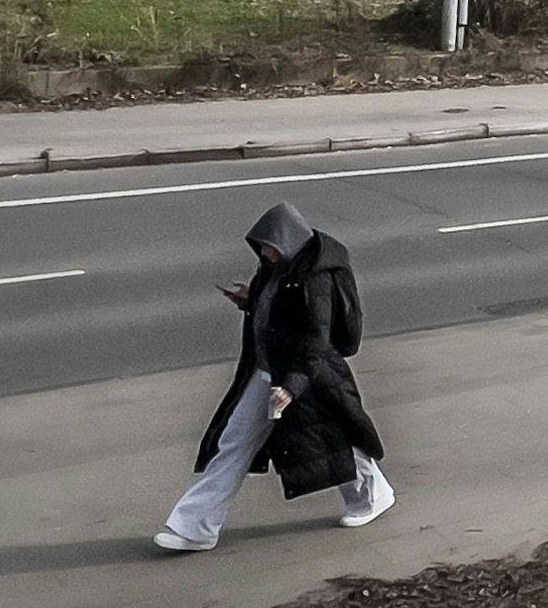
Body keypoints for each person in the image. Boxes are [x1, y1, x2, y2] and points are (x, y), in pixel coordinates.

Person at [154, 201, 394, 552]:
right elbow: (280, 313)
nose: (264, 253)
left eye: (269, 245)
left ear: (288, 241)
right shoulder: (275, 269)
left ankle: (373, 496)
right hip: (268, 373)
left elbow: (316, 338)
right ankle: (195, 528)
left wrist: (293, 387)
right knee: (235, 443)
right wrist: (250, 300)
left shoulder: (316, 278)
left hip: (307, 377)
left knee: (334, 441)